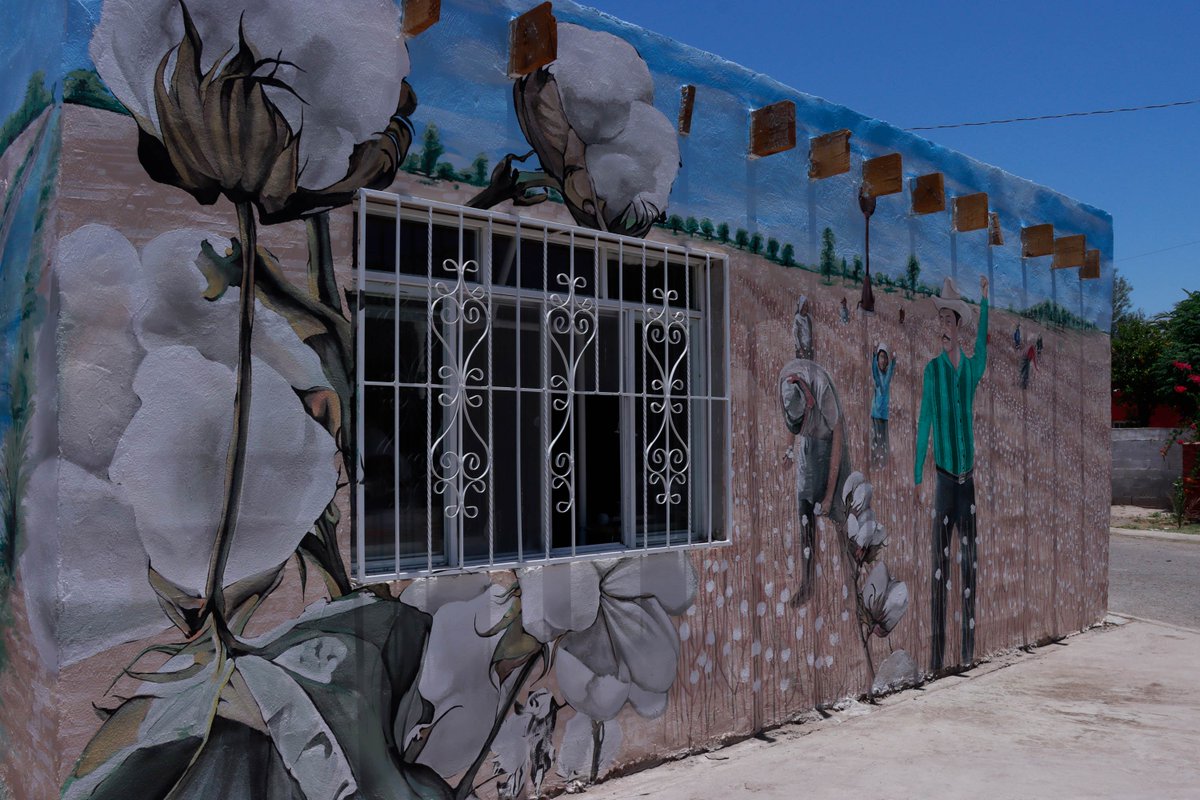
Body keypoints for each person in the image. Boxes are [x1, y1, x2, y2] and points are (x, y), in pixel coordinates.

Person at [914, 275, 988, 673]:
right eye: (940, 317)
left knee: (970, 568)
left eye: (949, 317)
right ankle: (937, 658)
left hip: (968, 483)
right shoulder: (932, 371)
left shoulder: (970, 371)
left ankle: (968, 653)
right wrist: (915, 472)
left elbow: (984, 353)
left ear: (958, 324)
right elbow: (925, 420)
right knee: (939, 571)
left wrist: (986, 301)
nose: (943, 324)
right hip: (943, 481)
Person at [780, 299, 847, 605]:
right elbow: (794, 427)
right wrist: (790, 449)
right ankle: (809, 582)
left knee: (839, 520)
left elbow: (837, 440)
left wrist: (831, 494)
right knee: (805, 516)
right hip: (808, 453)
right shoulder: (791, 386)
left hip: (829, 455)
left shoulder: (823, 392)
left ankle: (850, 584)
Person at [870, 343, 894, 465]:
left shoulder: (886, 376)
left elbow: (890, 373)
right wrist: (874, 356)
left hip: (884, 415)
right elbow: (873, 369)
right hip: (875, 413)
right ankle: (875, 464)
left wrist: (893, 362)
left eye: (885, 357)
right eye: (881, 357)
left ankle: (883, 466)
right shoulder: (877, 376)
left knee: (884, 442)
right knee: (876, 441)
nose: (882, 360)